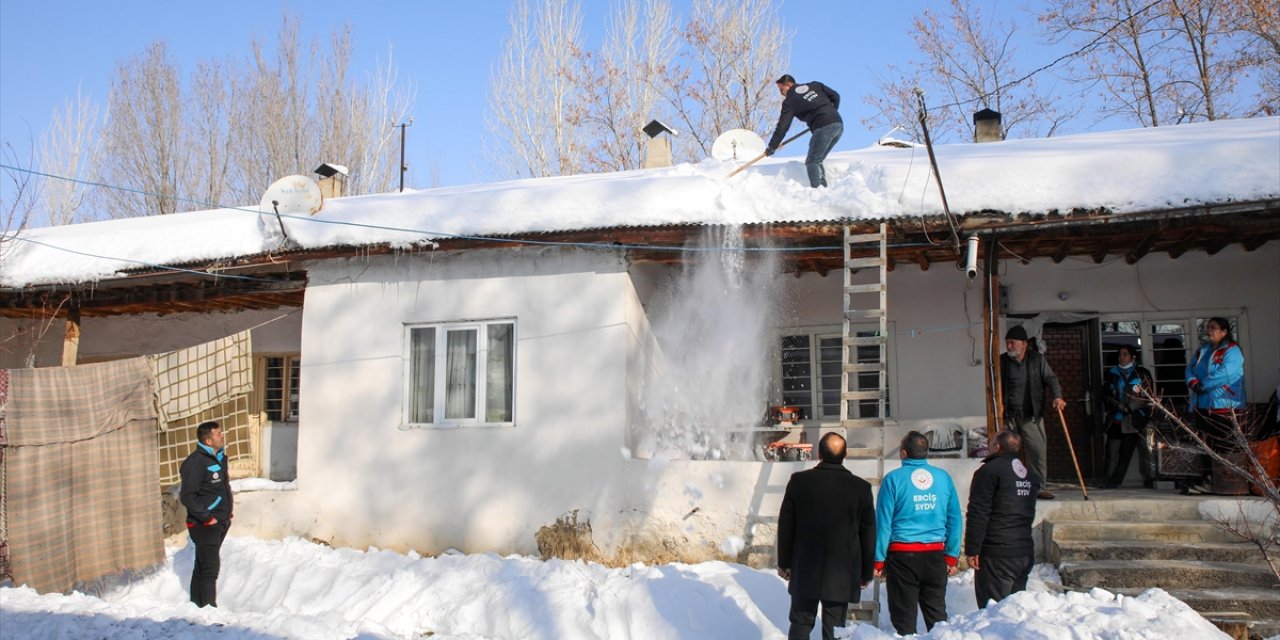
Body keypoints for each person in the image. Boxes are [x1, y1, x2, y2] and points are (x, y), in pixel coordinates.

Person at [776, 432, 876, 640]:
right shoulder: (861, 488)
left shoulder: (799, 482)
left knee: (801, 622)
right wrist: (866, 572)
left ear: (819, 453)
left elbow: (786, 525)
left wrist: (785, 563)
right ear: (845, 454)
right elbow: (868, 533)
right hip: (842, 570)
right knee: (835, 626)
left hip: (805, 566)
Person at [874, 431, 962, 635]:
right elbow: (955, 519)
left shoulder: (892, 480)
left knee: (904, 620)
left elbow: (884, 523)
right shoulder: (943, 478)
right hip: (935, 556)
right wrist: (951, 555)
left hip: (902, 556)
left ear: (903, 453)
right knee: (938, 617)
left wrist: (878, 559)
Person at [965, 431, 1040, 609]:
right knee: (1015, 612)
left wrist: (973, 549)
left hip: (997, 553)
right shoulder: (1029, 475)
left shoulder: (989, 471)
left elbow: (979, 512)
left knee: (994, 613)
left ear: (997, 447)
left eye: (991, 443)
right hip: (1023, 550)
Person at [1000, 324, 1066, 499]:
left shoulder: (1037, 360)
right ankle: (1010, 486)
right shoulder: (1002, 361)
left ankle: (1038, 487)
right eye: (1007, 343)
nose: (1009, 346)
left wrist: (1058, 397)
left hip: (1031, 414)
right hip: (1009, 414)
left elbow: (1051, 378)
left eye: (1012, 343)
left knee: (1037, 451)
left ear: (1024, 344)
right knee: (1006, 451)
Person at [1185, 317, 1246, 492]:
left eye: (1213, 327)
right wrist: (1193, 383)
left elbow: (1226, 374)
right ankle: (1207, 481)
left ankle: (1227, 484)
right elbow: (1189, 369)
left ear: (1224, 331)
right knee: (1205, 446)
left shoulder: (1232, 351)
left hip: (1226, 406)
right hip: (1202, 406)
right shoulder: (1202, 351)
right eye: (1207, 327)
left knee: (1225, 446)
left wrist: (1203, 385)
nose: (1208, 330)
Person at [180, 421, 234, 607]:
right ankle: (210, 608)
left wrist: (227, 513)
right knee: (210, 568)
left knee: (202, 565)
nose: (222, 436)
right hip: (203, 524)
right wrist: (207, 517)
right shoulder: (195, 462)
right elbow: (187, 496)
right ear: (209, 440)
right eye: (219, 434)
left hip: (220, 521)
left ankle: (197, 605)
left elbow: (220, 489)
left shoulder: (220, 458)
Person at [764, 74, 842, 188]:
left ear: (788, 84)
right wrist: (830, 113)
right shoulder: (815, 85)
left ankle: (819, 191)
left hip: (823, 127)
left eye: (781, 89)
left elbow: (782, 127)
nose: (781, 93)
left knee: (812, 161)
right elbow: (835, 96)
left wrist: (772, 146)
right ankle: (823, 190)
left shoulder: (789, 101)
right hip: (838, 124)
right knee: (817, 159)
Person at [1100, 344, 1154, 488]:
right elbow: (1105, 394)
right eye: (1120, 354)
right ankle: (1106, 480)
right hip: (1116, 419)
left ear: (1133, 357)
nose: (1121, 357)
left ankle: (1115, 481)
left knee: (1126, 454)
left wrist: (1130, 407)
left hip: (1134, 420)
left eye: (1125, 354)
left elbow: (1147, 395)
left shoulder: (1142, 373)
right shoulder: (1111, 373)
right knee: (1111, 451)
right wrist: (1118, 405)